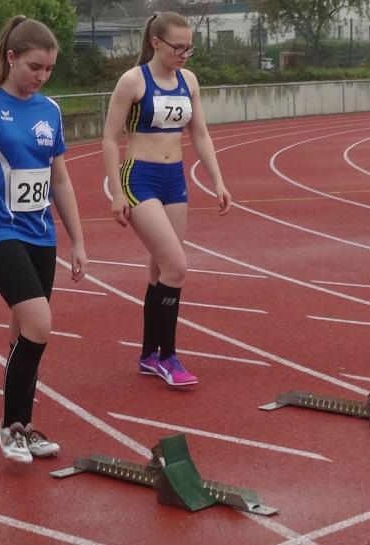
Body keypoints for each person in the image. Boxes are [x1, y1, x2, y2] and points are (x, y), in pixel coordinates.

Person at [0, 15, 88, 464]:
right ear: (11, 58)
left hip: (41, 234)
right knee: (40, 324)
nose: (41, 76)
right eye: (34, 67)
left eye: (48, 69)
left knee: (23, 332)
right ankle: (10, 426)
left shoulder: (50, 110)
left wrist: (78, 241)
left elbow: (60, 179)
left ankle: (23, 427)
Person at [102, 12, 232, 388]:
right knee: (177, 266)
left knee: (161, 270)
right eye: (178, 47)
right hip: (139, 178)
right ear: (156, 43)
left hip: (174, 179)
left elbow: (200, 133)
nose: (184, 54)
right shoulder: (133, 81)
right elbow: (109, 138)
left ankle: (148, 355)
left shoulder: (188, 81)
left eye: (190, 48)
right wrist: (116, 192)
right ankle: (168, 357)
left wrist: (218, 181)